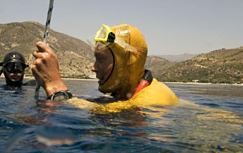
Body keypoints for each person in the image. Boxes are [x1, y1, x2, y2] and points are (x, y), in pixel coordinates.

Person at [31, 24, 178, 106]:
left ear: (128, 62)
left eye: (101, 59)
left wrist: (55, 86)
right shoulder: (122, 94)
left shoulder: (153, 101)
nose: (93, 67)